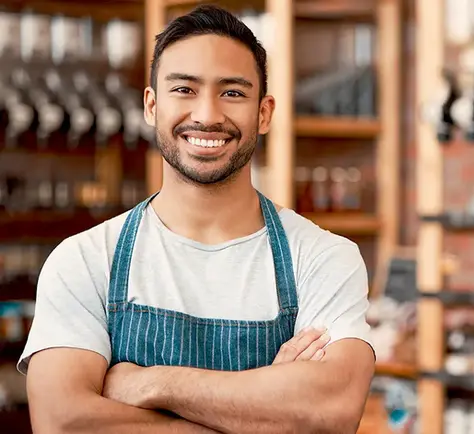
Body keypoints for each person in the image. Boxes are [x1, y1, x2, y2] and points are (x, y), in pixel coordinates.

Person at [19, 5, 375, 433]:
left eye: (232, 93)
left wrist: (151, 382)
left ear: (263, 113)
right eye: (184, 90)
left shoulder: (323, 258)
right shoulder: (86, 259)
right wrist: (263, 413)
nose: (207, 115)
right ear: (152, 106)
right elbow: (63, 423)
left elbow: (330, 411)